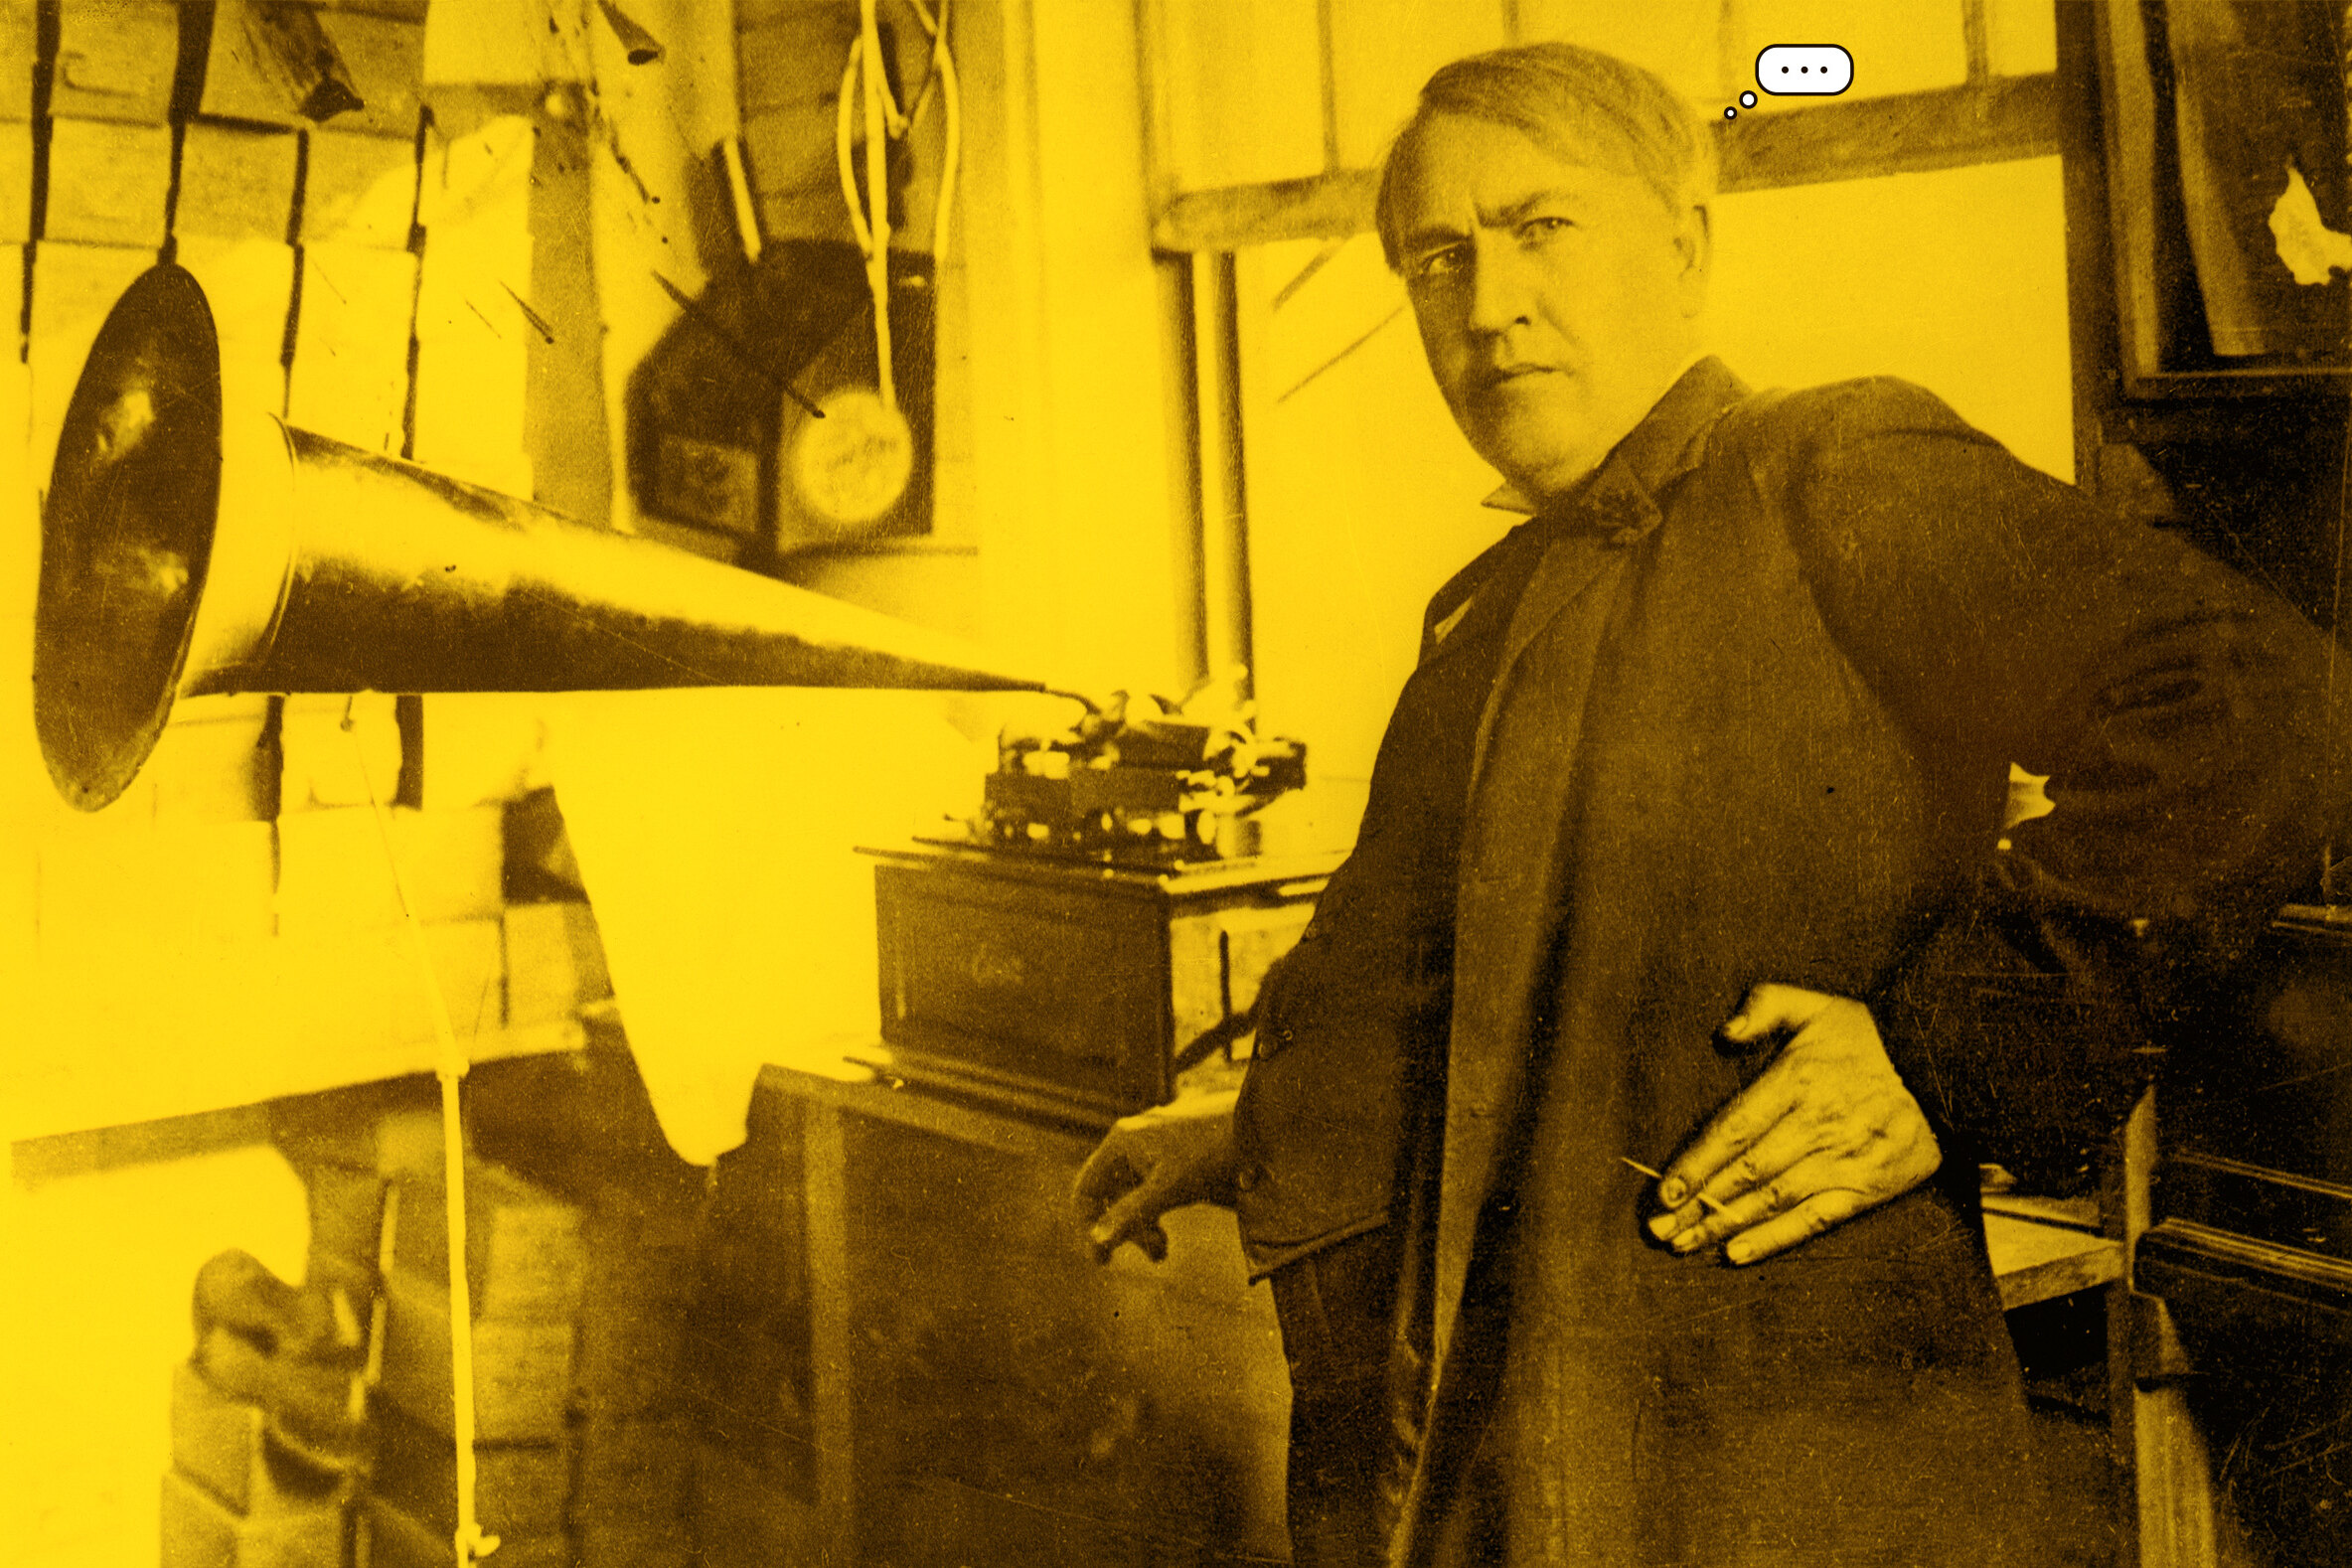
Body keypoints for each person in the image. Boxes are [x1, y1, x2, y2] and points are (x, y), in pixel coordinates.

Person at [1073, 42, 2348, 1568]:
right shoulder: (1490, 610)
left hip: (1776, 1466)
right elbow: (1508, 1004)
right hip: (1500, 1447)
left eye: (1542, 227)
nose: (1489, 304)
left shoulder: (1830, 464)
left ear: (1683, 247)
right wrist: (1252, 1123)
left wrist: (1945, 1053)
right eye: (1437, 258)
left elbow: (2262, 702)